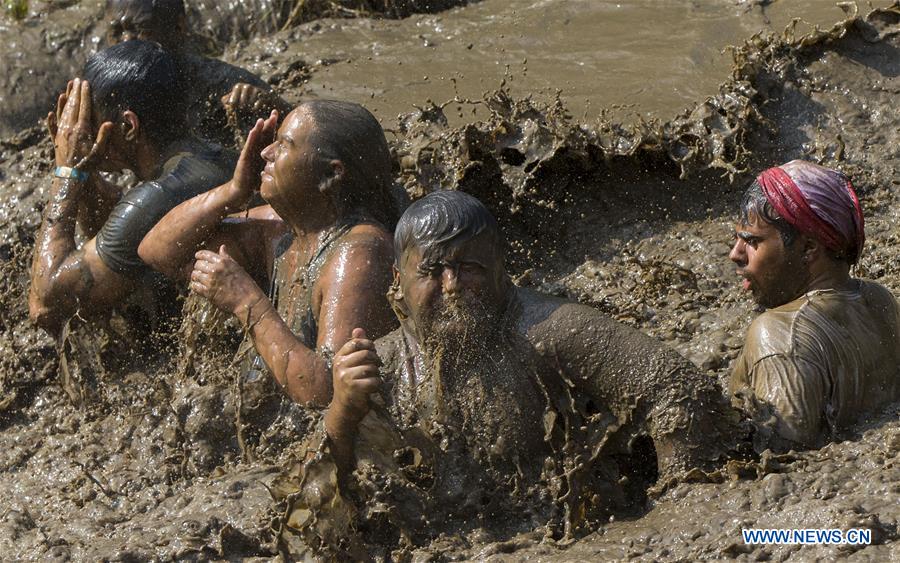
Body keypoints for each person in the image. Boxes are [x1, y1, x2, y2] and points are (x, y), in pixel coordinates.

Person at [271, 191, 742, 557]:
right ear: (397, 281)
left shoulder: (549, 331)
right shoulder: (382, 364)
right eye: (432, 271)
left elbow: (678, 389)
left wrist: (680, 514)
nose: (452, 288)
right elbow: (305, 509)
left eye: (469, 267)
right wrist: (341, 411)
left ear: (502, 270)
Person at [138, 100, 399, 406]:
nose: (266, 153)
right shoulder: (283, 230)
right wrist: (234, 190)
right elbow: (159, 251)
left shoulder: (358, 254)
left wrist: (247, 301)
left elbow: (328, 392)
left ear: (331, 174)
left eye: (284, 144)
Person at [29, 40, 234, 335]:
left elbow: (47, 304)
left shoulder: (158, 195)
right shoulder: (211, 157)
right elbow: (115, 247)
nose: (80, 130)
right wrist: (86, 173)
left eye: (89, 119)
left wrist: (67, 172)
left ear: (129, 126)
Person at [728, 160, 900, 451]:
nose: (735, 253)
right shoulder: (878, 299)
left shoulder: (779, 335)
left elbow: (781, 459)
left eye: (752, 241)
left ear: (809, 248)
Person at [104, 0, 292, 147]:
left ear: (179, 27)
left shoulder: (223, 85)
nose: (126, 41)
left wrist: (275, 108)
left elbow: (305, 142)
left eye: (141, 29)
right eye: (117, 32)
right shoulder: (102, 92)